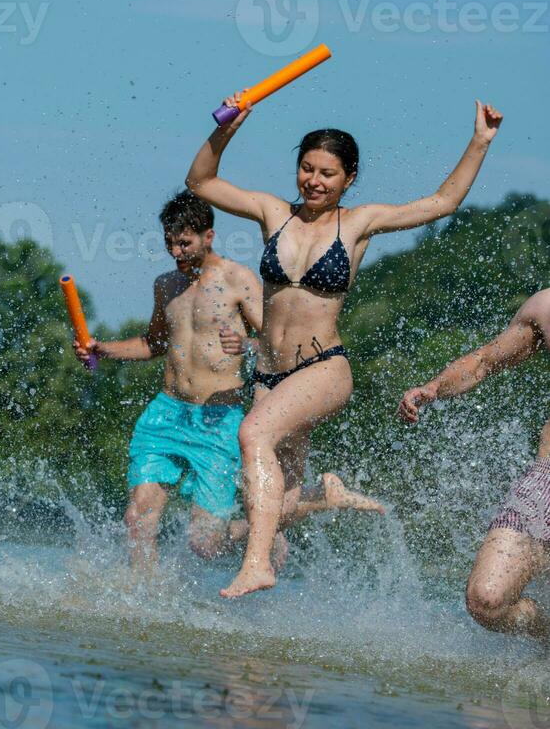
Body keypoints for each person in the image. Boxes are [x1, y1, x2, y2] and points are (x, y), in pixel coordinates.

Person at [187, 97, 504, 598]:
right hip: (268, 377)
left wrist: (480, 142)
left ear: (348, 178)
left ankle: (256, 566)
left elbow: (441, 203)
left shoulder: (357, 224)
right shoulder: (274, 214)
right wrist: (227, 129)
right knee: (270, 497)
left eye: (327, 173)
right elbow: (200, 182)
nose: (314, 180)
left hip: (323, 368)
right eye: (307, 168)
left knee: (253, 437)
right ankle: (321, 495)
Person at [74, 191, 381, 569]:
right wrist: (102, 349)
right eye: (169, 243)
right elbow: (152, 343)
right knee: (138, 518)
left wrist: (247, 346)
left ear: (209, 236)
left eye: (184, 243)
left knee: (206, 544)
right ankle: (144, 603)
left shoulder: (238, 280)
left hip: (218, 421)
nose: (176, 252)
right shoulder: (165, 285)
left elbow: (275, 344)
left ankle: (317, 498)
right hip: (166, 415)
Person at [399, 289, 550, 639]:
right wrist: (435, 387)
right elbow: (485, 361)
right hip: (544, 485)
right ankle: (544, 632)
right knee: (486, 600)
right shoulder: (546, 307)